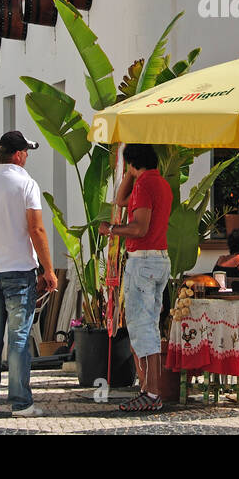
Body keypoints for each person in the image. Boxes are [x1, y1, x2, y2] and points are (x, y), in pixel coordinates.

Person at [0, 130, 57, 417]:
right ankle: (21, 403)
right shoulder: (26, 184)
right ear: (18, 154)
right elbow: (36, 229)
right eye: (27, 152)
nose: (27, 157)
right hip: (19, 272)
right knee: (18, 338)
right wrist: (48, 269)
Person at [99, 143, 172, 412]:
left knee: (142, 327)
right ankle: (149, 388)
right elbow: (121, 200)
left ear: (132, 163)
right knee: (150, 325)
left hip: (143, 261)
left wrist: (111, 230)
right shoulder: (161, 184)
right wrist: (131, 173)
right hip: (160, 259)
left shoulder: (144, 186)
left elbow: (139, 228)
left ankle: (151, 391)